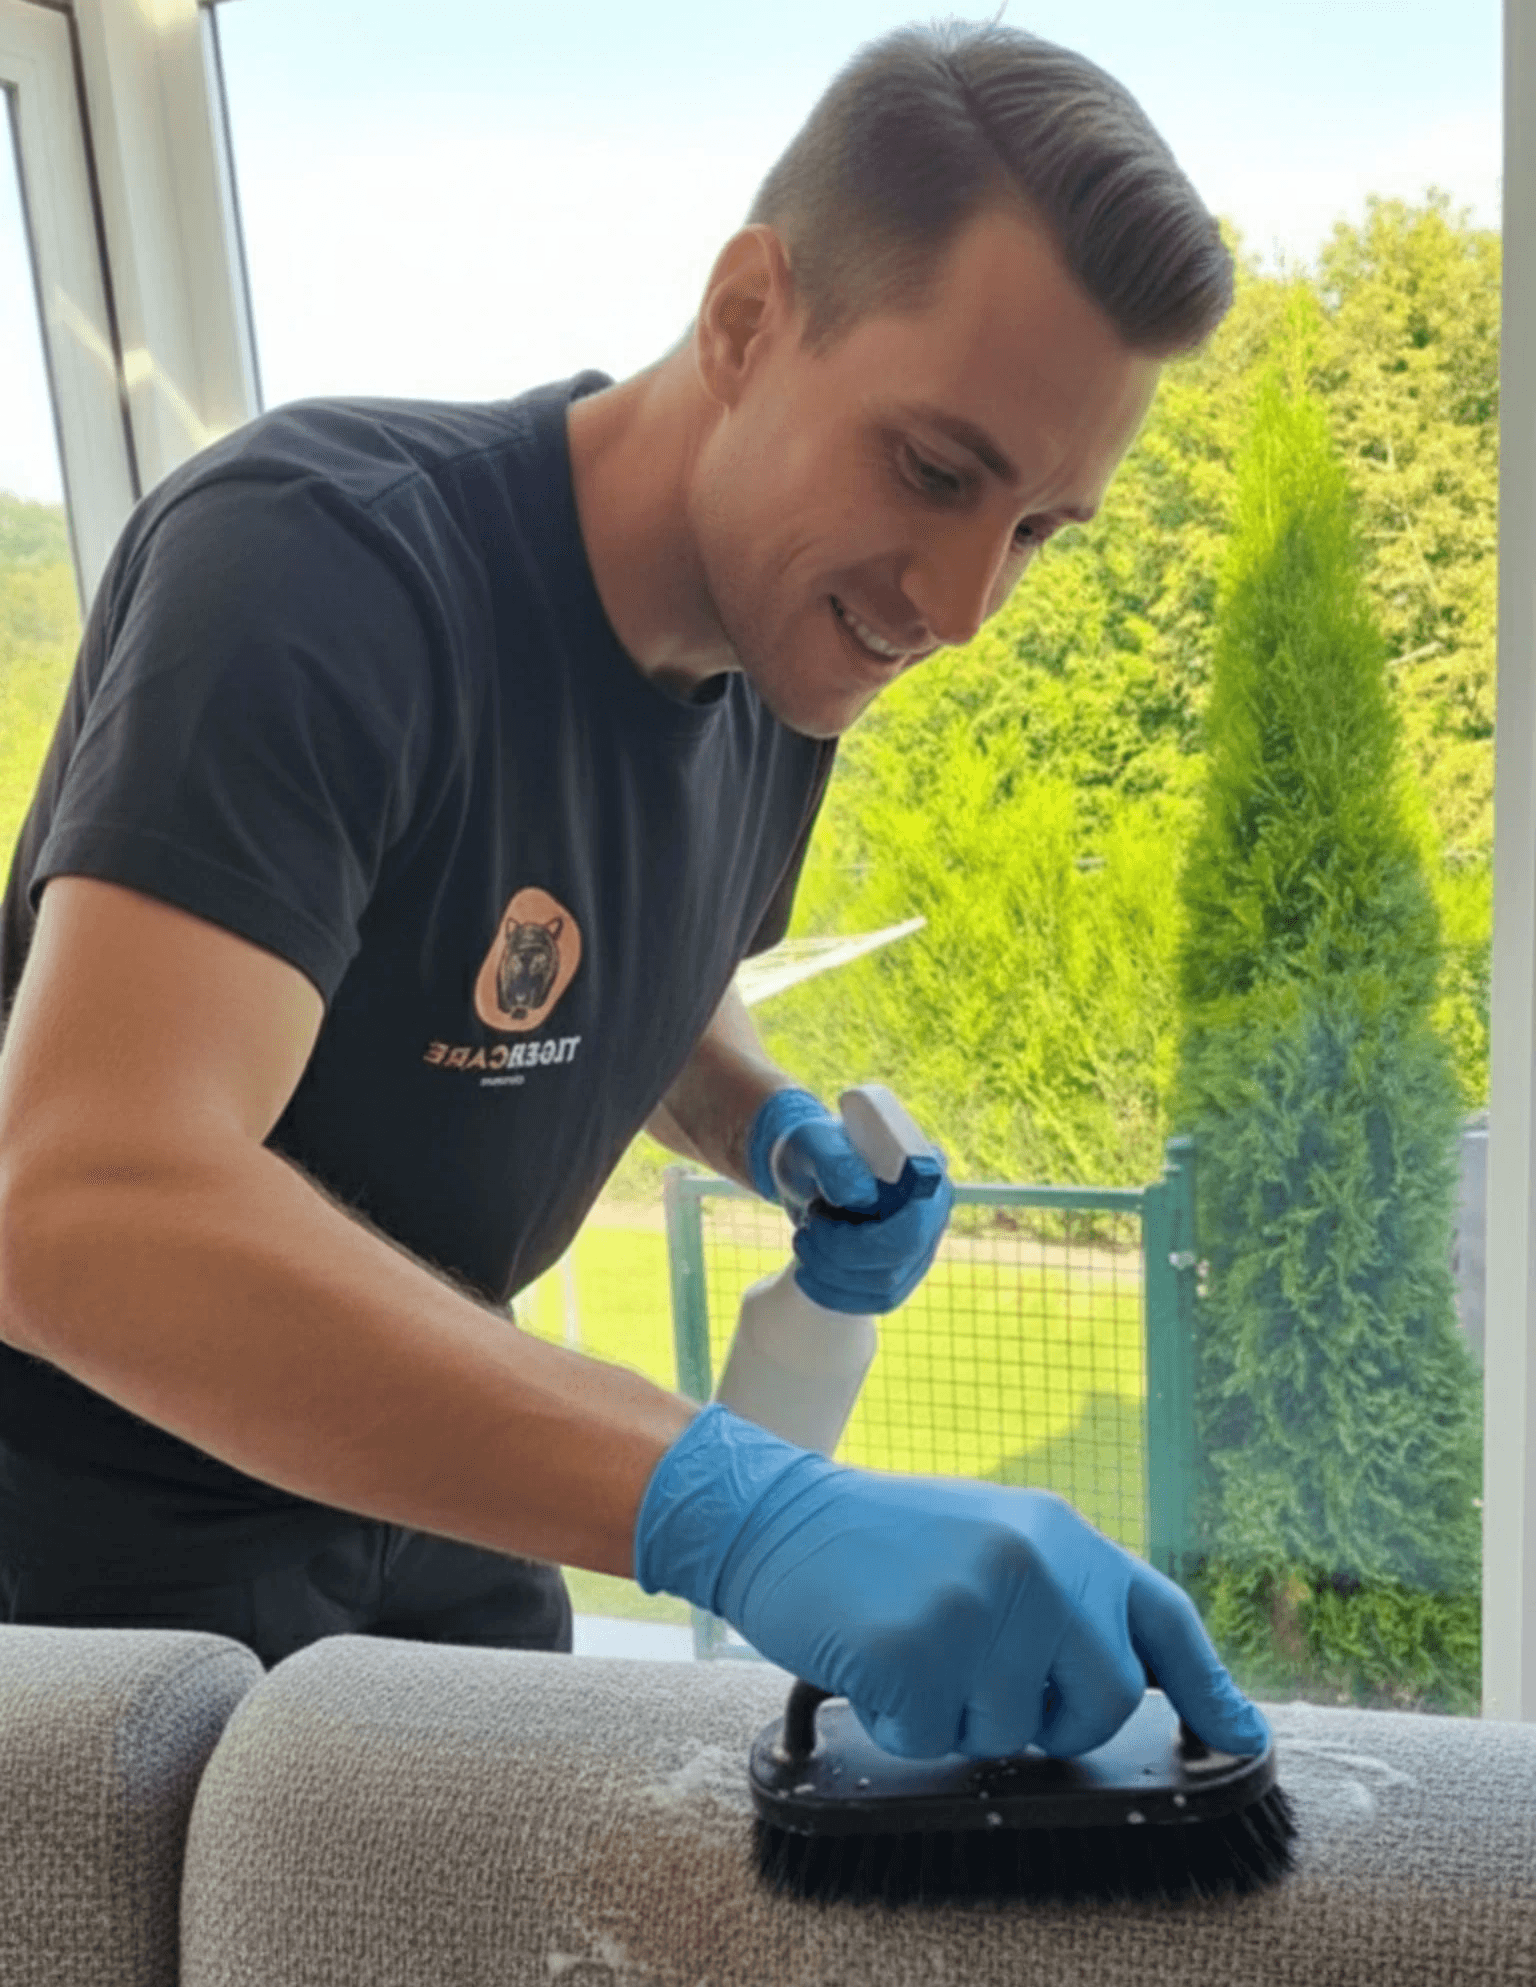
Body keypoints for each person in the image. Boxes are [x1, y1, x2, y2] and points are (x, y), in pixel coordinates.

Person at [0, 18, 1268, 1762]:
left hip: (451, 1495)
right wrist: (735, 1504)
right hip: (107, 1570)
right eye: (936, 469)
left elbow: (620, 962)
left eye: (1043, 528)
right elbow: (76, 1199)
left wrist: (764, 1125)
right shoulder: (320, 568)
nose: (969, 604)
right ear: (748, 315)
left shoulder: (783, 669)